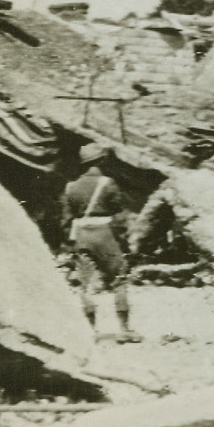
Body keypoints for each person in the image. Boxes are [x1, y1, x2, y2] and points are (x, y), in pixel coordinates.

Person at [61, 143, 137, 341]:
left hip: (81, 235)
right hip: (104, 233)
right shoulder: (107, 183)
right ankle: (124, 329)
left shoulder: (70, 187)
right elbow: (118, 210)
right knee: (119, 278)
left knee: (84, 284)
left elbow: (66, 218)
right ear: (102, 160)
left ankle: (91, 331)